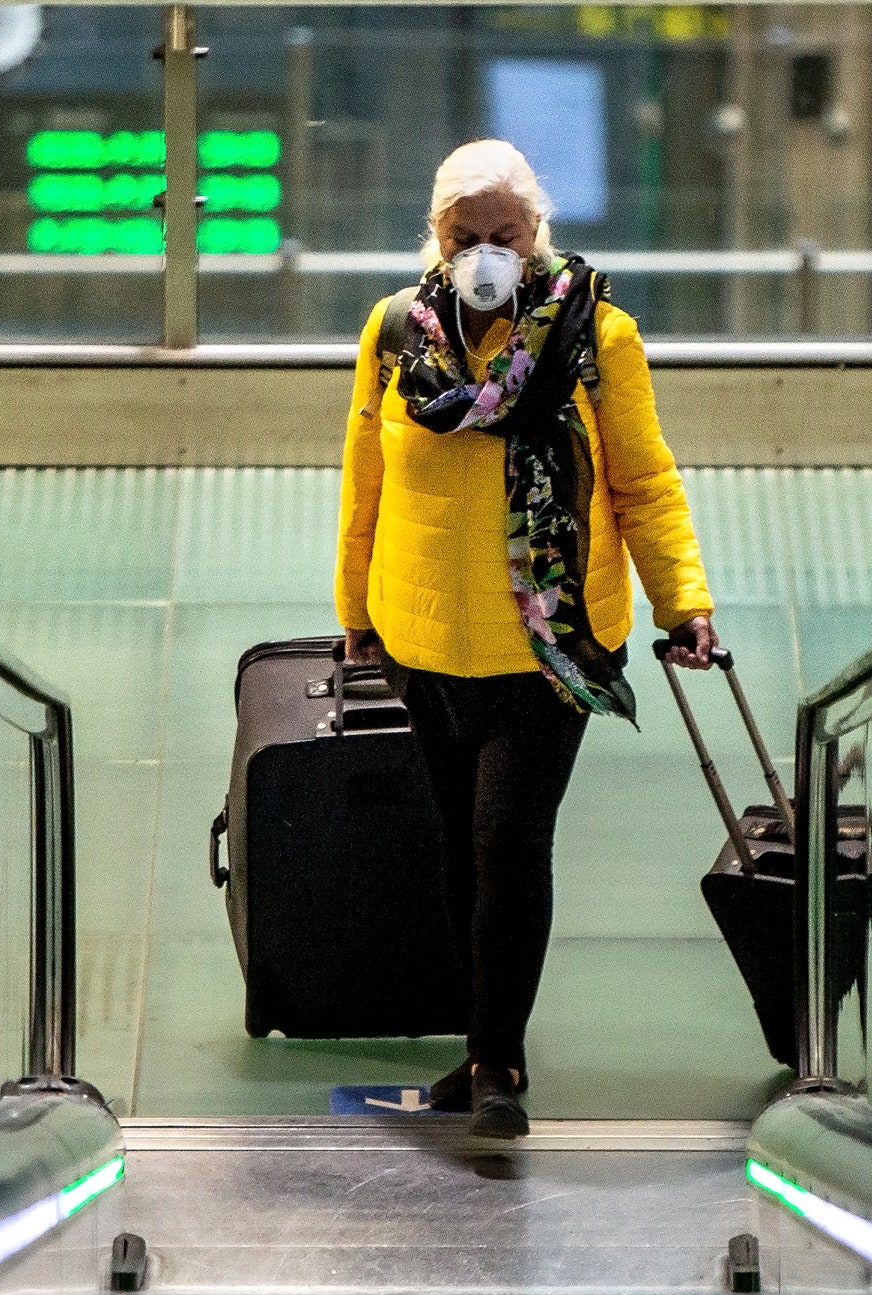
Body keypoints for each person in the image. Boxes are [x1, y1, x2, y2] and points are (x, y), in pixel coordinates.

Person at [336, 140, 717, 1139]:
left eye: (503, 234)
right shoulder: (392, 336)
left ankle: (497, 1057)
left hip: (549, 647)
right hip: (422, 642)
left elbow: (643, 480)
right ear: (437, 236)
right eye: (465, 237)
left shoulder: (597, 338)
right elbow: (362, 480)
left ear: (535, 231)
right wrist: (352, 612)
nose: (485, 254)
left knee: (509, 842)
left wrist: (685, 604)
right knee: (460, 855)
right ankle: (480, 1041)